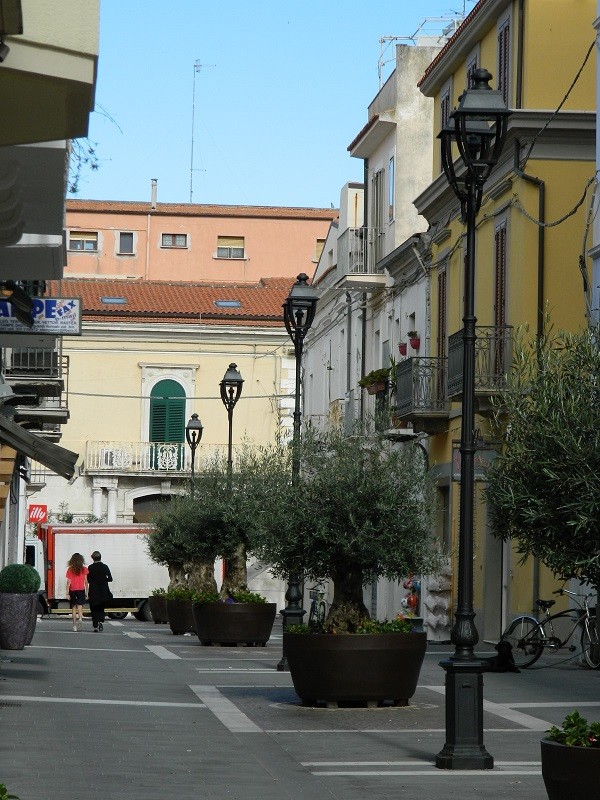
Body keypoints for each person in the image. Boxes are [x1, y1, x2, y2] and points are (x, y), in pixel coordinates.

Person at [87, 551, 113, 632]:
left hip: (93, 590)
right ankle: (101, 621)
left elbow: (88, 579)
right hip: (103, 590)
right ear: (100, 557)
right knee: (101, 607)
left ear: (92, 558)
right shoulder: (105, 567)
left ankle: (95, 626)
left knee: (94, 608)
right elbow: (110, 578)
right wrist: (104, 580)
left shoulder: (90, 567)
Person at [66, 553, 88, 632]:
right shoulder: (84, 569)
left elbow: (68, 582)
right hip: (81, 589)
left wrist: (67, 593)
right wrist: (87, 592)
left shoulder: (70, 569)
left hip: (72, 590)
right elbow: (86, 582)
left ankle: (74, 626)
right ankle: (80, 618)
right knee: (80, 605)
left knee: (74, 607)